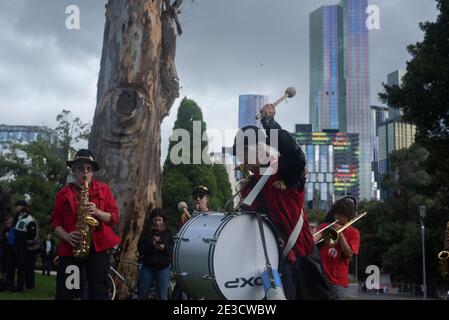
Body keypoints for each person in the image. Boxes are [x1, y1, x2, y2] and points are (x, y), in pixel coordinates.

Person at [233, 103, 334, 300]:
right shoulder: (250, 185)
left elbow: (295, 156)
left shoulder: (283, 170)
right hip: (268, 260)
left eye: (243, 154)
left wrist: (269, 123)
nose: (242, 162)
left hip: (300, 260)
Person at [50, 149, 121, 300]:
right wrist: (67, 236)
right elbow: (55, 222)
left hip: (97, 247)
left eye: (89, 169)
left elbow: (113, 218)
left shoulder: (104, 190)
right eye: (81, 169)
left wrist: (97, 212)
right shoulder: (62, 194)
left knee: (98, 289)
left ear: (93, 172)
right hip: (71, 248)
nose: (85, 173)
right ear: (73, 171)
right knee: (68, 290)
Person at [313, 197, 360, 299]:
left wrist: (341, 235)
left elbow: (349, 254)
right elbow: (313, 240)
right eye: (336, 213)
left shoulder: (354, 233)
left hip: (338, 282)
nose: (336, 217)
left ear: (348, 216)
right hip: (321, 277)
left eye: (340, 214)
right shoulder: (326, 226)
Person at [137, 208, 173, 300]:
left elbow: (172, 250)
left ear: (163, 220)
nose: (157, 223)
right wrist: (151, 244)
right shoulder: (146, 232)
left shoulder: (168, 233)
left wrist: (164, 247)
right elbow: (140, 249)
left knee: (162, 296)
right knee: (142, 295)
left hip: (163, 267)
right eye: (155, 220)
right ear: (152, 220)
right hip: (147, 267)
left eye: (159, 220)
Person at [13, 200, 38, 292]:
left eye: (18, 206)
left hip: (23, 247)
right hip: (17, 245)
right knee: (18, 267)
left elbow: (32, 234)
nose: (16, 207)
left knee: (22, 267)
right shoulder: (18, 218)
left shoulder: (29, 219)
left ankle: (20, 287)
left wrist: (23, 239)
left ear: (23, 207)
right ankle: (18, 285)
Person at [0, 215, 13, 291]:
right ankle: (4, 282)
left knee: (6, 267)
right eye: (8, 220)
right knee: (4, 267)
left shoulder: (10, 228)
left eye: (10, 219)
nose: (10, 221)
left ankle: (5, 282)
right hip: (5, 250)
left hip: (8, 251)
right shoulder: (6, 229)